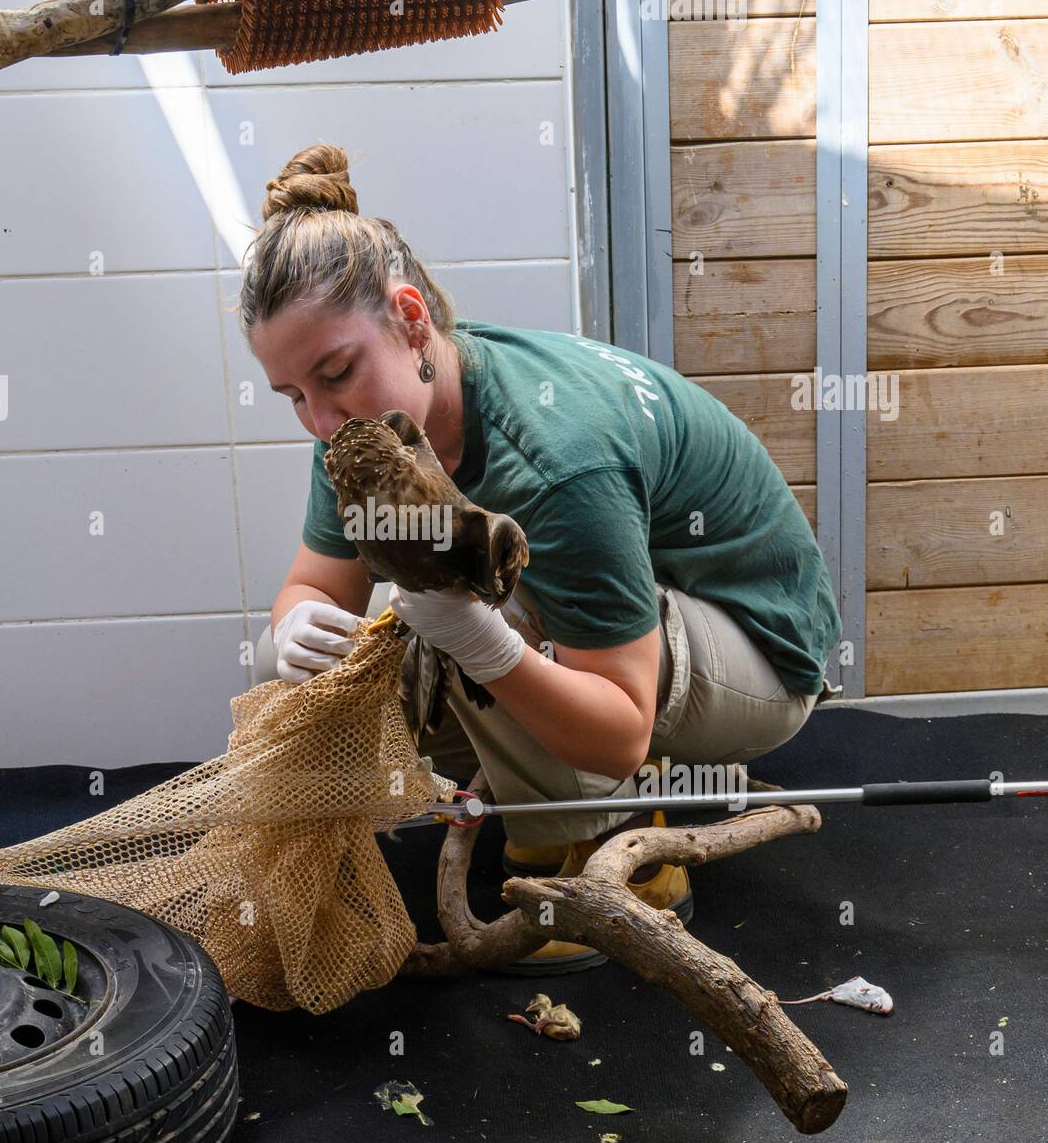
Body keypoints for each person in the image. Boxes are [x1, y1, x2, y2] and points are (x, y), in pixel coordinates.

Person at [244, 143, 843, 973]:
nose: (317, 418)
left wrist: (481, 641)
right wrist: (295, 627)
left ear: (412, 321)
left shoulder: (558, 459)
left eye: (336, 373)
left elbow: (621, 731)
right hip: (634, 629)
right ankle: (553, 788)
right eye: (293, 395)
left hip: (761, 649)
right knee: (374, 647)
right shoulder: (360, 433)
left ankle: (614, 859)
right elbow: (315, 587)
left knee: (489, 608)